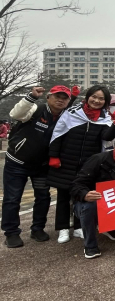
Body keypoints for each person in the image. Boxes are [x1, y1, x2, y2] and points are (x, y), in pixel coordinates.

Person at [48, 85, 115, 244]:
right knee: (64, 196)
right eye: (94, 96)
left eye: (101, 99)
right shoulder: (72, 113)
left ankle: (80, 226)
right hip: (66, 161)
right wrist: (54, 156)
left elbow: (107, 137)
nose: (97, 100)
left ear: (106, 102)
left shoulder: (105, 118)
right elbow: (58, 133)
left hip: (88, 164)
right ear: (88, 97)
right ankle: (63, 228)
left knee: (83, 196)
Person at [2, 85, 73, 248]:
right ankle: (11, 232)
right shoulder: (35, 108)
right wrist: (30, 97)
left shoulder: (67, 117)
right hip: (16, 162)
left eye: (65, 97)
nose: (60, 100)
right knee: (12, 198)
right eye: (57, 96)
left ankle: (37, 228)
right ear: (48, 97)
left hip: (42, 166)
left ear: (68, 101)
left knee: (43, 197)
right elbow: (15, 114)